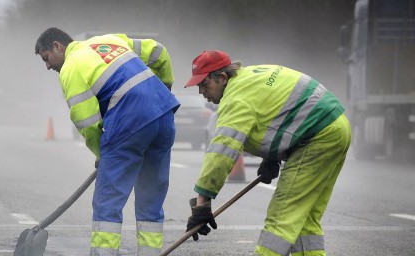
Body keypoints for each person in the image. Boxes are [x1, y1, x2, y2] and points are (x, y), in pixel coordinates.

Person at [183, 50, 351, 256]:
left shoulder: (235, 98)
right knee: (304, 218)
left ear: (222, 77)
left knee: (282, 216)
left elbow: (222, 150)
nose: (201, 91)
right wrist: (271, 157)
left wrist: (203, 202)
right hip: (336, 126)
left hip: (317, 136)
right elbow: (276, 112)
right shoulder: (250, 77)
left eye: (204, 84)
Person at [35, 27, 180, 255]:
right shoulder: (108, 41)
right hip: (163, 117)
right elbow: (159, 52)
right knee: (150, 196)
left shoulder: (71, 68)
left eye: (47, 58)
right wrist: (165, 87)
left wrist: (101, 154)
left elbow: (88, 122)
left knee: (108, 203)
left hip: (129, 122)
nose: (48, 66)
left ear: (57, 46)